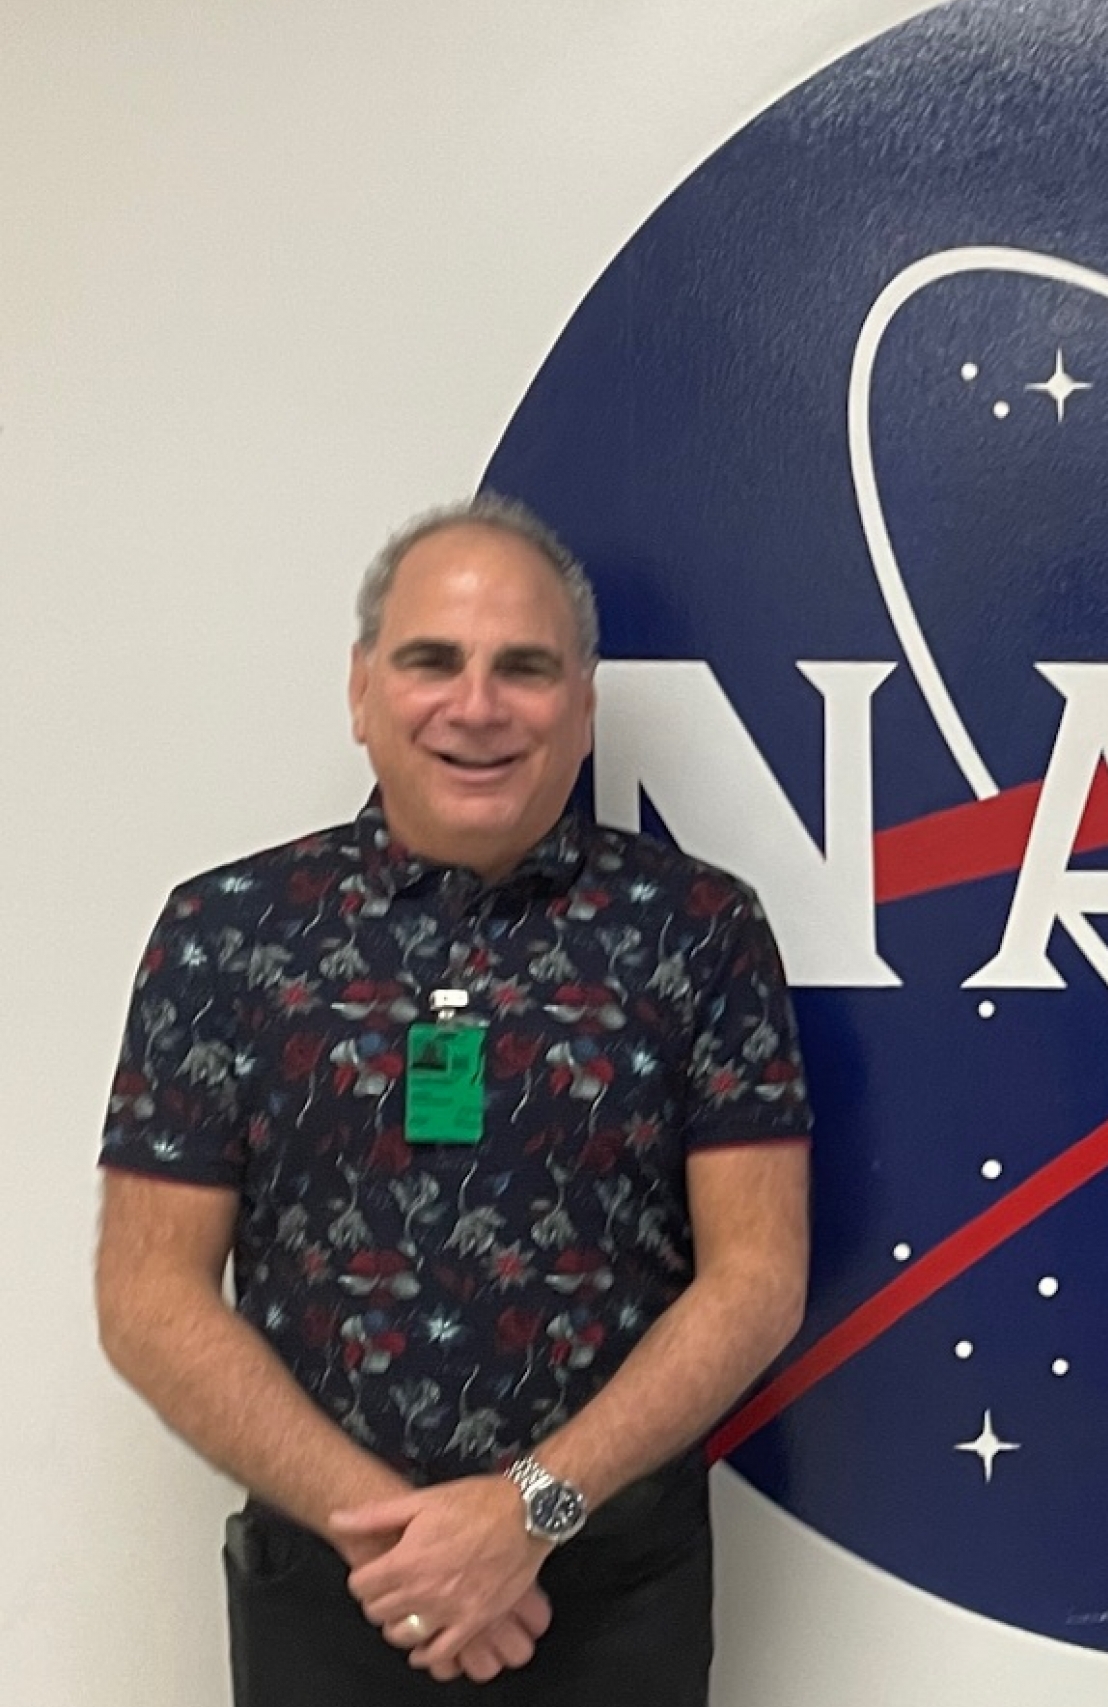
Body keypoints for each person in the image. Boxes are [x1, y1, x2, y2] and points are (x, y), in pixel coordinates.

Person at [95, 496, 813, 1705]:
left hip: (613, 1594)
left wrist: (529, 1513)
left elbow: (756, 1278)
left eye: (523, 668)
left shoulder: (699, 932)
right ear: (362, 691)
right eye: (433, 661)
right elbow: (147, 1294)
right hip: (332, 1592)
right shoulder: (227, 934)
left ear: (582, 705)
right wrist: (403, 1546)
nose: (476, 706)